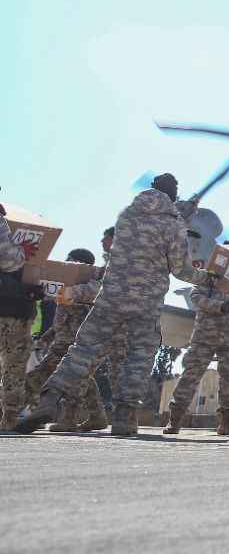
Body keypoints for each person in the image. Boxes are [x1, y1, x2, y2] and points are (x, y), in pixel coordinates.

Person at [19, 175, 207, 435]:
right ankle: (124, 418)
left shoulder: (127, 214)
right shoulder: (173, 223)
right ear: (173, 196)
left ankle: (49, 398)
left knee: (81, 350)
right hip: (145, 302)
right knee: (139, 356)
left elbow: (149, 229)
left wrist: (179, 213)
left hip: (109, 297)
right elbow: (180, 269)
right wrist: (207, 277)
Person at [25, 250, 104, 431]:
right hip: (61, 344)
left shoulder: (89, 286)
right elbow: (61, 322)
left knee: (44, 375)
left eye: (71, 261)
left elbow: (93, 296)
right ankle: (97, 416)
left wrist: (70, 292)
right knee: (81, 378)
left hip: (76, 345)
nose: (66, 264)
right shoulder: (64, 286)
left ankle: (14, 411)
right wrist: (46, 338)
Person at [164, 275, 229, 436]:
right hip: (204, 336)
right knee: (190, 376)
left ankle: (227, 422)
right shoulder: (209, 277)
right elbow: (195, 297)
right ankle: (174, 420)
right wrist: (220, 306)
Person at [0, 202, 41, 430]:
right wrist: (22, 252)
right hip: (12, 307)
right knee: (14, 367)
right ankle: (10, 418)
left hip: (14, 303)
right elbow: (8, 260)